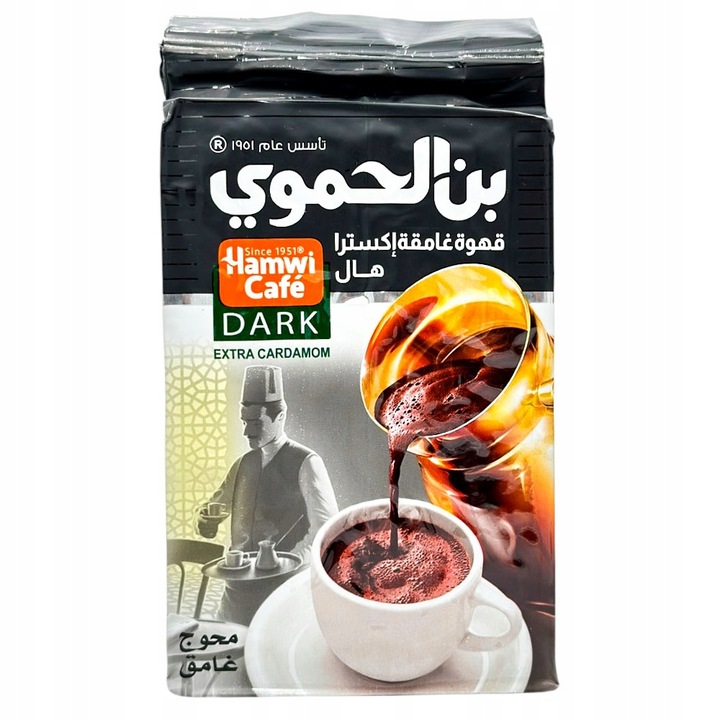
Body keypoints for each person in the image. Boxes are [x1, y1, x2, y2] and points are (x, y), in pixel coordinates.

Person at [196, 365, 338, 623]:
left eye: (255, 423)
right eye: (244, 422)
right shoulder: (242, 464)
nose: (246, 431)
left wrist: (289, 562)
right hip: (235, 597)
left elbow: (326, 530)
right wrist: (205, 521)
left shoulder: (306, 462)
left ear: (280, 416)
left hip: (283, 595)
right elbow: (214, 509)